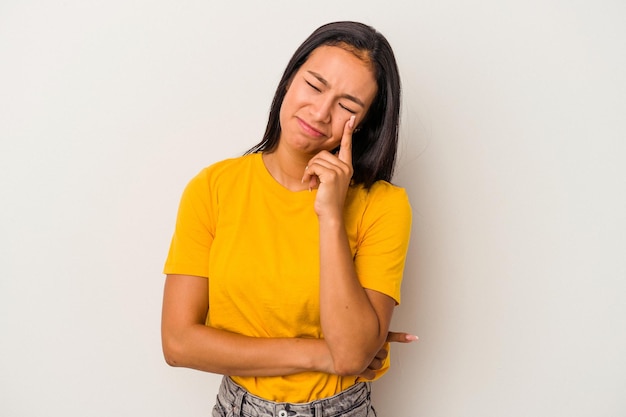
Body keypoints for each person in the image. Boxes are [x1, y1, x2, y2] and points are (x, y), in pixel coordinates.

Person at [161, 21, 417, 416]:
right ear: (288, 80)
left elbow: (350, 355)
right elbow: (178, 344)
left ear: (364, 123)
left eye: (347, 106)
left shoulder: (383, 206)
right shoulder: (213, 187)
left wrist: (330, 216)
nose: (320, 111)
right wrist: (321, 355)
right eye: (314, 86)